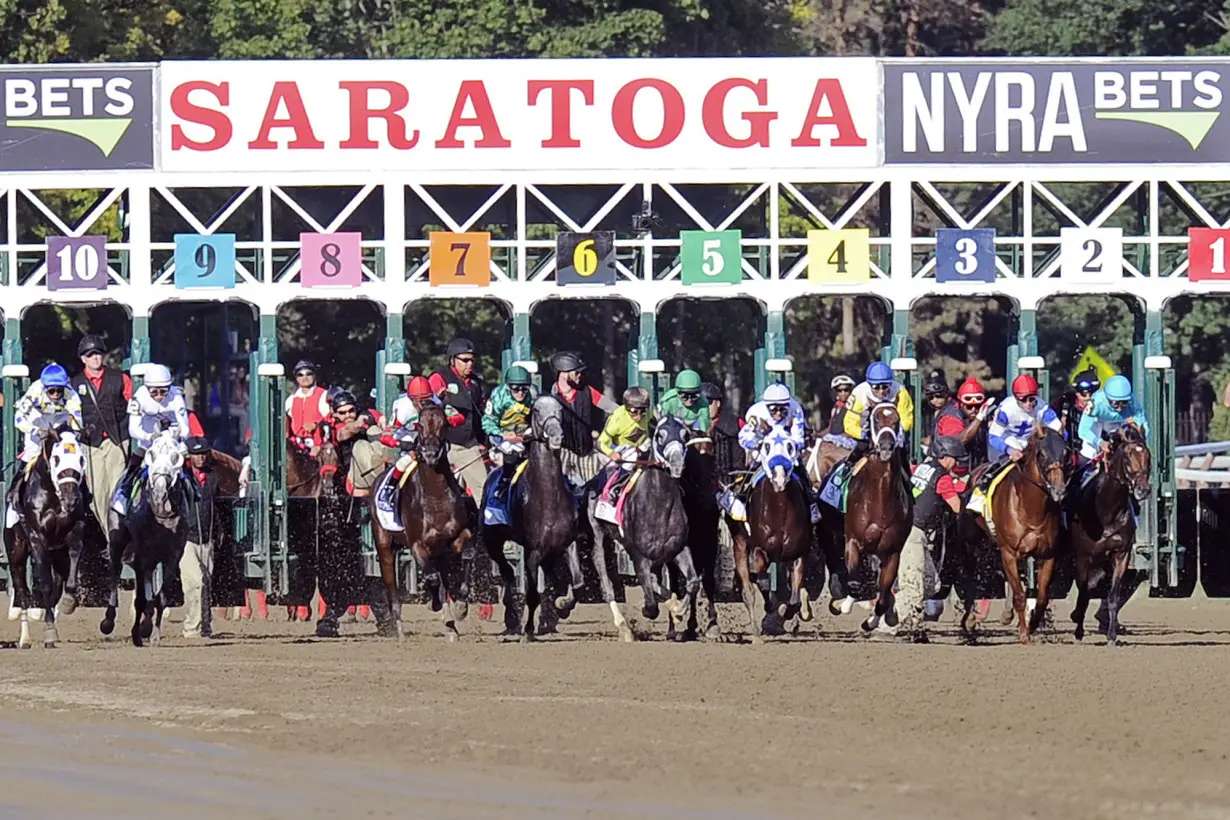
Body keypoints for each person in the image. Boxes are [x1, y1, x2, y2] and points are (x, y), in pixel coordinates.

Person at [897, 436, 970, 636]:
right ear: (945, 457)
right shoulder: (942, 477)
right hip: (915, 532)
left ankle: (893, 612)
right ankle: (903, 627)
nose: (956, 464)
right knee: (915, 586)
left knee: (932, 583)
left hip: (911, 530)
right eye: (955, 459)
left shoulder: (923, 467)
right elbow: (957, 508)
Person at [8, 364, 84, 526]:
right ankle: (14, 493)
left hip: (59, 420)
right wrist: (38, 431)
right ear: (44, 388)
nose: (56, 394)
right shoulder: (34, 392)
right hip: (37, 419)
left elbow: (78, 423)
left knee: (71, 454)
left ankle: (85, 493)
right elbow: (19, 419)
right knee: (31, 452)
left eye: (59, 390)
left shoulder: (71, 395)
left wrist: (74, 433)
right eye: (51, 391)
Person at [112, 364, 191, 517]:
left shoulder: (176, 397)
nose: (159, 396)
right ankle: (123, 493)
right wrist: (149, 437)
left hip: (172, 439)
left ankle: (193, 495)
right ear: (147, 388)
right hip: (149, 438)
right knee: (136, 461)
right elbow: (133, 429)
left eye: (163, 391)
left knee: (185, 461)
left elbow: (186, 429)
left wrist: (175, 435)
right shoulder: (138, 398)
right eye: (154, 391)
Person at [70, 335, 132, 530]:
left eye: (98, 353)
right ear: (83, 359)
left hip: (117, 439)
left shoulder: (120, 378)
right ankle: (111, 536)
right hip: (91, 444)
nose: (95, 358)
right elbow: (70, 413)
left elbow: (133, 405)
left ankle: (119, 536)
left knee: (117, 490)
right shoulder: (73, 384)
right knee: (97, 495)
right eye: (90, 355)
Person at [737, 382, 819, 521]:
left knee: (803, 475)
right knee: (749, 473)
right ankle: (742, 499)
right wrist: (757, 444)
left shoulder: (795, 409)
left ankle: (811, 503)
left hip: (787, 452)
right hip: (763, 452)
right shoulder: (756, 412)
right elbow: (743, 436)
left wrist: (791, 445)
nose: (779, 414)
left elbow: (798, 438)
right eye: (774, 410)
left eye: (783, 410)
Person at [973, 373, 1063, 496]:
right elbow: (993, 437)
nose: (1028, 403)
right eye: (1023, 400)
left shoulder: (1042, 407)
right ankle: (980, 494)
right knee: (997, 470)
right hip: (1004, 443)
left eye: (1032, 399)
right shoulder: (1006, 410)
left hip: (1027, 443)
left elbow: (1059, 430)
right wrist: (1009, 450)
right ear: (1015, 397)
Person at [550, 351, 618, 493]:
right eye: (576, 373)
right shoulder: (550, 400)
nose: (580, 375)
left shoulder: (587, 391)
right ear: (563, 373)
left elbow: (610, 407)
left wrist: (627, 412)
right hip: (563, 456)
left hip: (588, 454)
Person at [430, 338, 489, 500]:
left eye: (472, 360)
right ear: (452, 360)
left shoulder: (477, 383)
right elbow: (429, 409)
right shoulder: (439, 377)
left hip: (467, 445)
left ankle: (486, 523)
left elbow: (481, 414)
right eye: (464, 360)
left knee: (483, 489)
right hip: (441, 446)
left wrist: (482, 440)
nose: (469, 364)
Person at [375, 376, 441, 514]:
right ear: (412, 399)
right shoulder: (403, 408)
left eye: (427, 399)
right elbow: (385, 437)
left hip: (429, 441)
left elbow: (457, 418)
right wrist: (401, 444)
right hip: (408, 440)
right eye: (420, 401)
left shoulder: (436, 402)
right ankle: (388, 491)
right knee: (405, 462)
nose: (424, 404)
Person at [181, 436, 221, 639]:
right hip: (186, 537)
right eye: (196, 454)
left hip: (208, 537)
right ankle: (191, 628)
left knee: (206, 583)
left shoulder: (214, 478)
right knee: (194, 582)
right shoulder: (181, 478)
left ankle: (205, 626)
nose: (201, 458)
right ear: (188, 456)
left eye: (204, 453)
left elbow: (218, 507)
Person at [594, 386, 653, 520]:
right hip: (621, 450)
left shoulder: (648, 413)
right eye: (633, 412)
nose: (638, 417)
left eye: (642, 412)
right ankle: (615, 488)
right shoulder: (617, 419)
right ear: (626, 408)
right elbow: (600, 443)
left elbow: (653, 426)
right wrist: (611, 454)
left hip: (643, 446)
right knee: (632, 454)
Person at [481, 365, 536, 509]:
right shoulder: (498, 396)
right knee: (512, 454)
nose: (520, 393)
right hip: (500, 434)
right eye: (515, 388)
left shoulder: (532, 395)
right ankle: (502, 487)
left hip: (523, 433)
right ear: (508, 386)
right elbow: (487, 423)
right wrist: (504, 434)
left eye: (524, 388)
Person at [1076, 374, 1149, 469]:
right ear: (1107, 398)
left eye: (1124, 403)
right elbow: (1083, 430)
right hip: (1098, 421)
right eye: (1115, 403)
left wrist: (1139, 442)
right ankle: (1079, 477)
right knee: (1089, 452)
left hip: (1120, 422)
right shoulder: (1095, 403)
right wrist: (1099, 443)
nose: (1119, 408)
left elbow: (1144, 426)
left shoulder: (1133, 403)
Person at [843, 361, 915, 456]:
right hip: (865, 431)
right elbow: (849, 424)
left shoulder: (900, 392)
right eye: (876, 387)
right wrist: (863, 434)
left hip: (892, 434)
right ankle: (847, 467)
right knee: (858, 451)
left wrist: (896, 431)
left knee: (903, 453)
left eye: (885, 387)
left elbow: (906, 420)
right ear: (869, 384)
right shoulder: (859, 394)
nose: (881, 391)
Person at [329, 390, 386, 497]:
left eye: (351, 411)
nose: (348, 415)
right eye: (342, 413)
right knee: (360, 445)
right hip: (352, 478)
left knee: (374, 430)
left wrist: (382, 422)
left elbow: (382, 419)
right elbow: (346, 431)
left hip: (376, 467)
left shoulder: (365, 414)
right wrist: (359, 423)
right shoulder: (335, 427)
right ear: (335, 414)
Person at [929, 376, 995, 465]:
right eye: (969, 406)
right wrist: (979, 418)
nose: (973, 410)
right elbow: (958, 441)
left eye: (978, 406)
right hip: (951, 470)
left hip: (977, 467)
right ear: (961, 404)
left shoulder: (984, 415)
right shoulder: (950, 417)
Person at [285, 360, 330, 456]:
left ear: (314, 376)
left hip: (319, 445)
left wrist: (315, 424)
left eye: (308, 374)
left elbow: (330, 418)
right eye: (300, 374)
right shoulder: (291, 399)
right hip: (296, 445)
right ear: (296, 378)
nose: (304, 377)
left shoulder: (323, 394)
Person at [1055, 369, 1100, 458]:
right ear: (1076, 393)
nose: (1088, 398)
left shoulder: (1102, 406)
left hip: (1097, 455)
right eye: (1084, 394)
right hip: (1069, 456)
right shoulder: (1064, 403)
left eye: (1092, 394)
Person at [920, 369, 950, 450]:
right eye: (931, 397)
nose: (935, 400)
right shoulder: (924, 411)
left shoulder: (953, 410)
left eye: (939, 396)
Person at [825, 374, 856, 438]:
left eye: (846, 390)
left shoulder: (855, 407)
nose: (843, 393)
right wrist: (817, 434)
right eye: (839, 391)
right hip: (832, 440)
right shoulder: (835, 408)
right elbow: (829, 429)